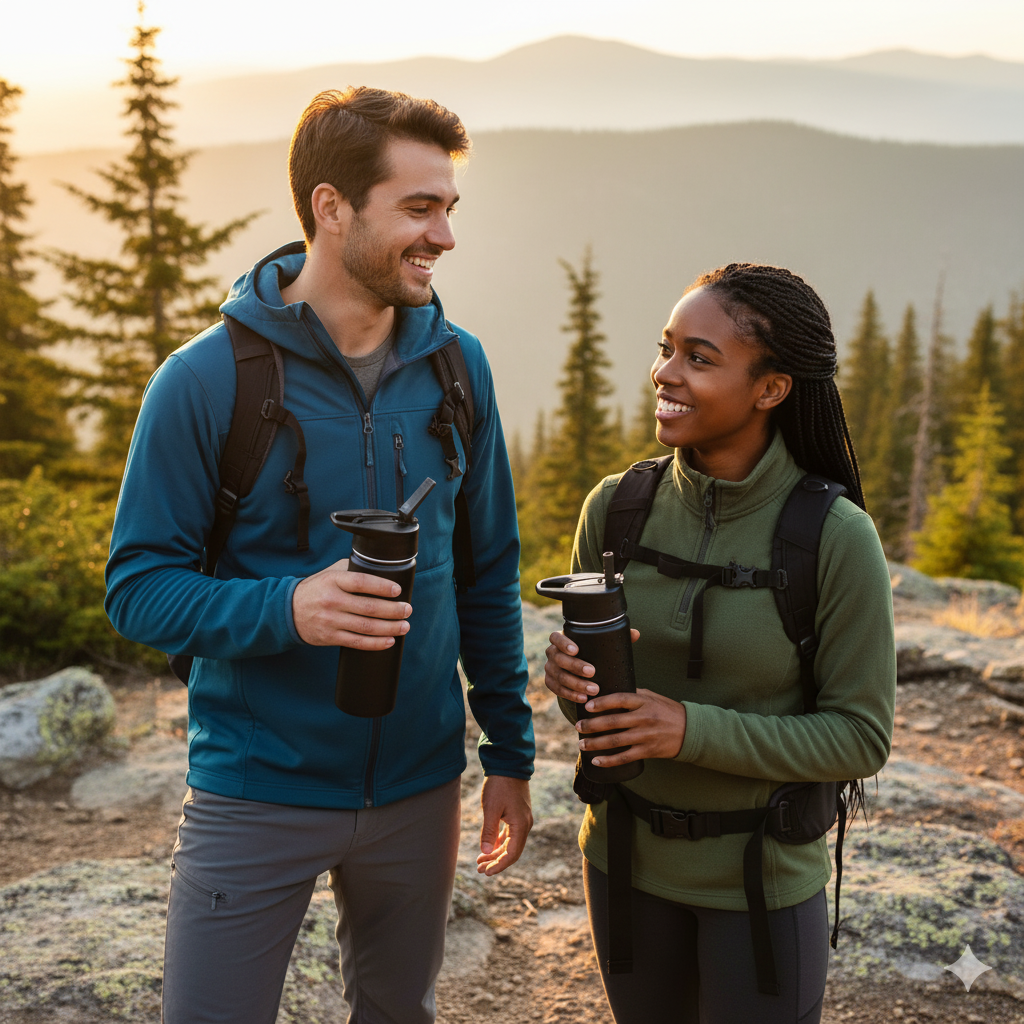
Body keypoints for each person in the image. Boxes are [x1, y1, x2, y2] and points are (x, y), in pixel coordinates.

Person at [105, 87, 534, 1024]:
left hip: (422, 788)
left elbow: (486, 575)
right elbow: (138, 589)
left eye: (449, 208)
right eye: (418, 209)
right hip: (255, 786)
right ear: (330, 208)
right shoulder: (206, 379)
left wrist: (509, 752)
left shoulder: (461, 369)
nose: (445, 236)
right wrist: (288, 608)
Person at [543, 263, 896, 1023]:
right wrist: (570, 683)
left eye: (699, 359)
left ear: (770, 389)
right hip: (622, 862)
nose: (665, 374)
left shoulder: (834, 538)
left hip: (759, 884)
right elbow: (599, 712)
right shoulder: (616, 508)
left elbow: (861, 737)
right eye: (666, 348)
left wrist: (687, 730)